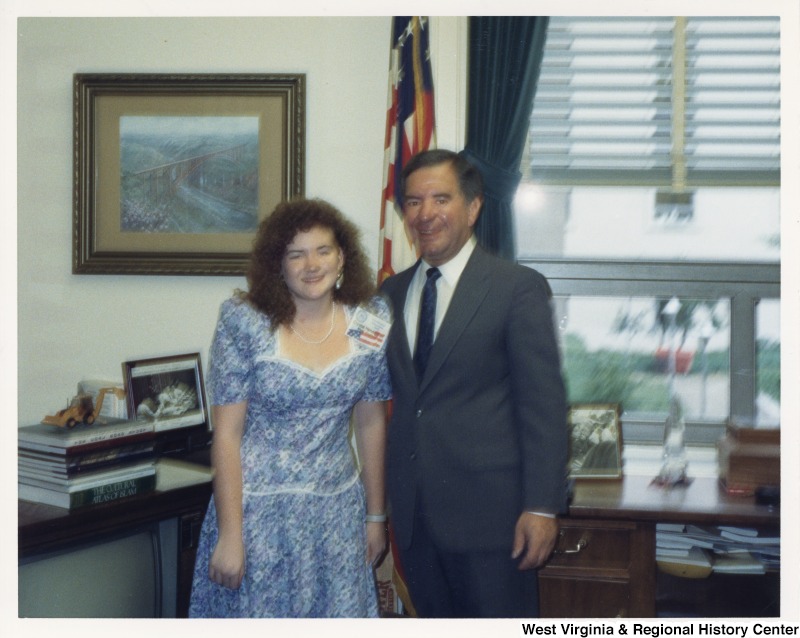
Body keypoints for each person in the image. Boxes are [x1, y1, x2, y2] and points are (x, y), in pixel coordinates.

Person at [380, 149, 569, 618]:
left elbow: (543, 407)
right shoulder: (389, 294)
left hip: (494, 524)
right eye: (413, 202)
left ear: (474, 207)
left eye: (441, 199)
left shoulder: (517, 288)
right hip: (415, 523)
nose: (425, 214)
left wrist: (543, 508)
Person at [189, 198, 392, 618]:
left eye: (323, 250)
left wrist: (375, 516)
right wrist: (230, 535)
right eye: (295, 254)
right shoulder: (244, 322)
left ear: (342, 258)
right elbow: (226, 436)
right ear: (277, 265)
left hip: (337, 515)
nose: (311, 264)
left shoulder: (369, 320)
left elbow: (371, 422)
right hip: (259, 515)